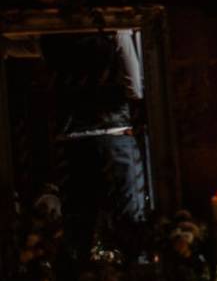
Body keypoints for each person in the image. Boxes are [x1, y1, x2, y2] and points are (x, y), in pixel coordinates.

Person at [39, 30, 147, 260]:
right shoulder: (114, 30)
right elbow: (134, 87)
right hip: (113, 133)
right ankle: (134, 274)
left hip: (72, 138)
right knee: (129, 221)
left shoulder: (50, 32)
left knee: (78, 224)